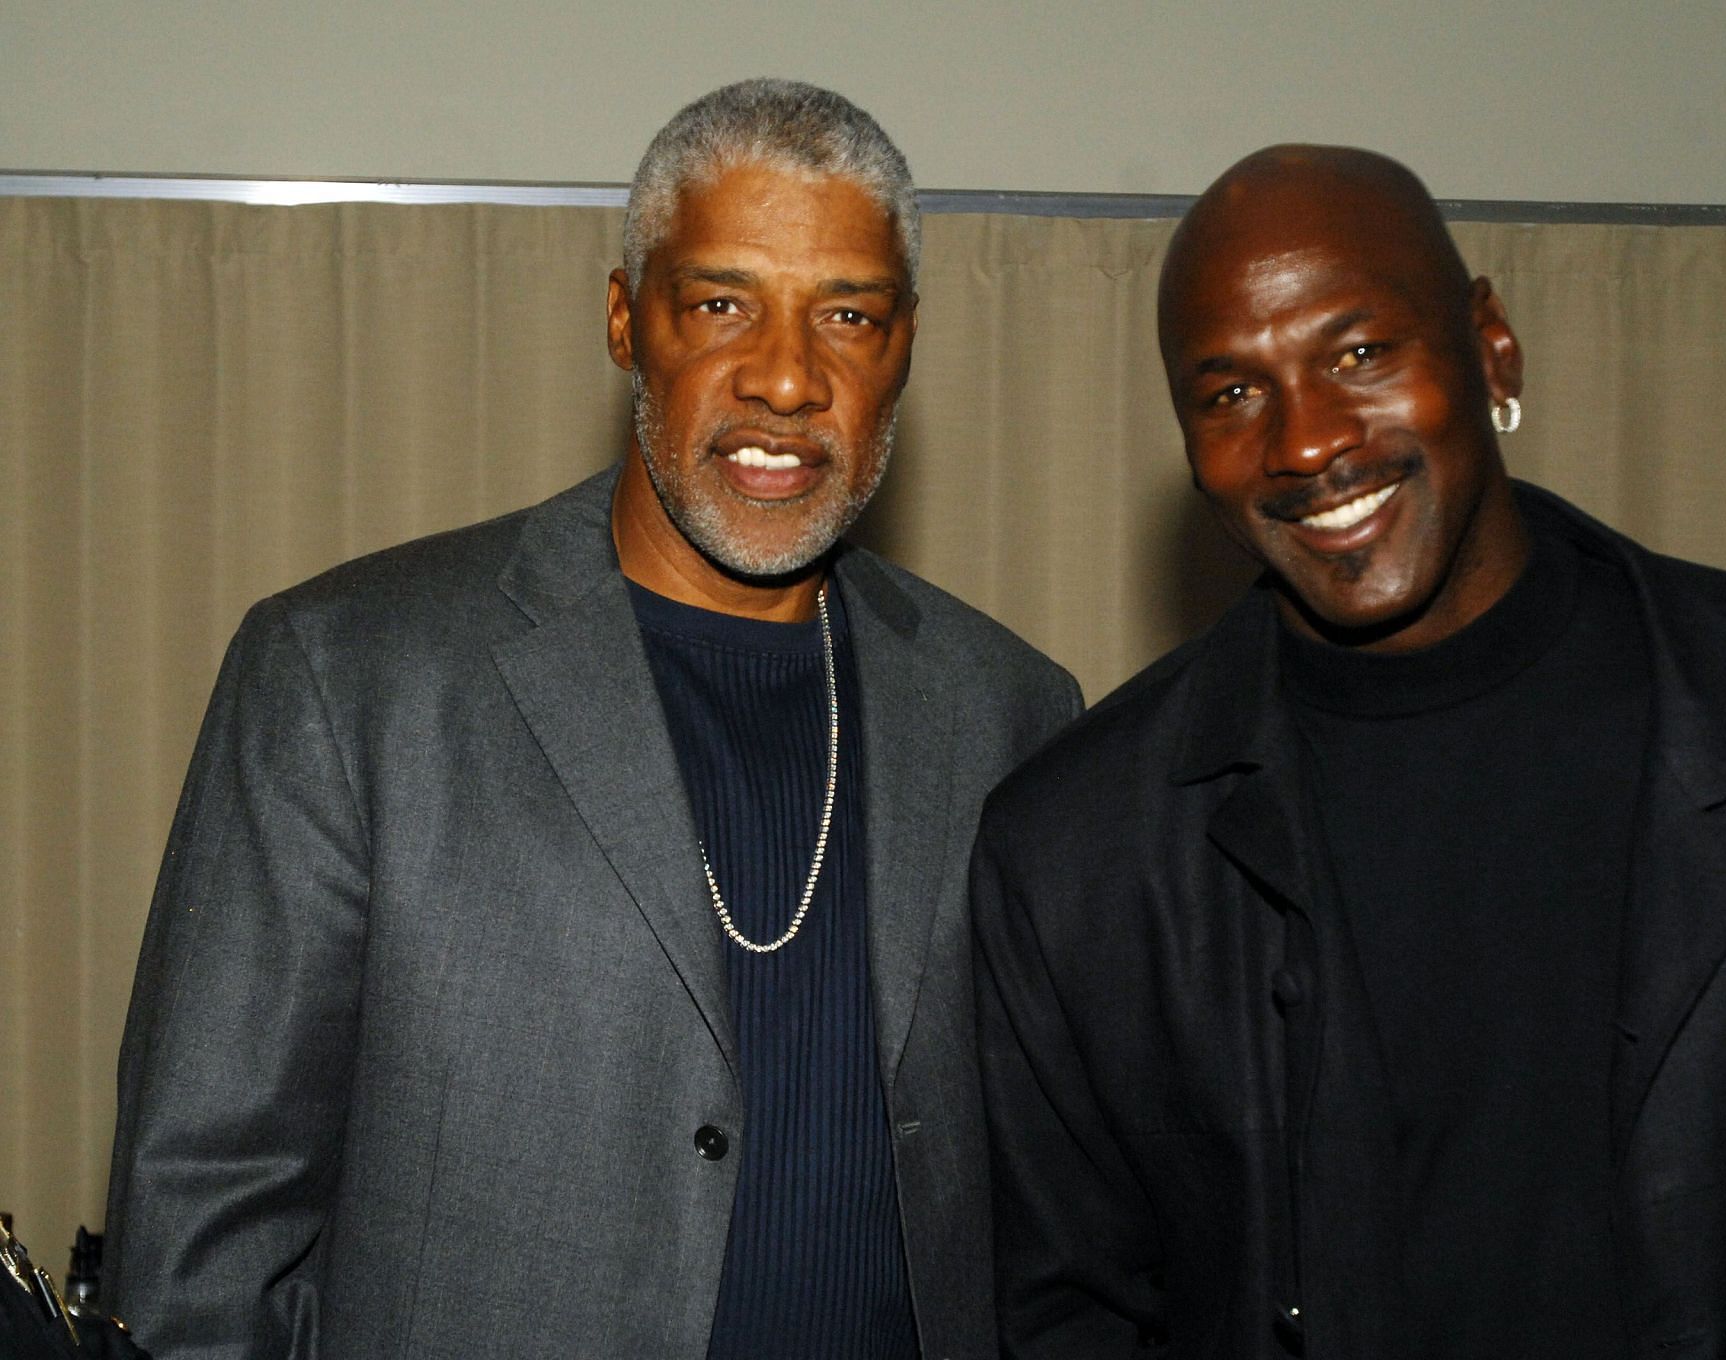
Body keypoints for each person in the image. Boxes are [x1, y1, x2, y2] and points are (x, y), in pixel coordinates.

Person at [105, 78, 1080, 1358]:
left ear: (903, 347)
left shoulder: (1009, 710)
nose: (788, 378)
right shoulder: (348, 677)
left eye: (847, 315)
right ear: (626, 319)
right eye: (722, 304)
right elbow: (200, 1235)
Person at [970, 145, 1726, 1358]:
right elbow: (1070, 1318)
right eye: (1230, 394)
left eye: (1360, 354)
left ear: (1493, 348)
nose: (1306, 441)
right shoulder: (1079, 850)